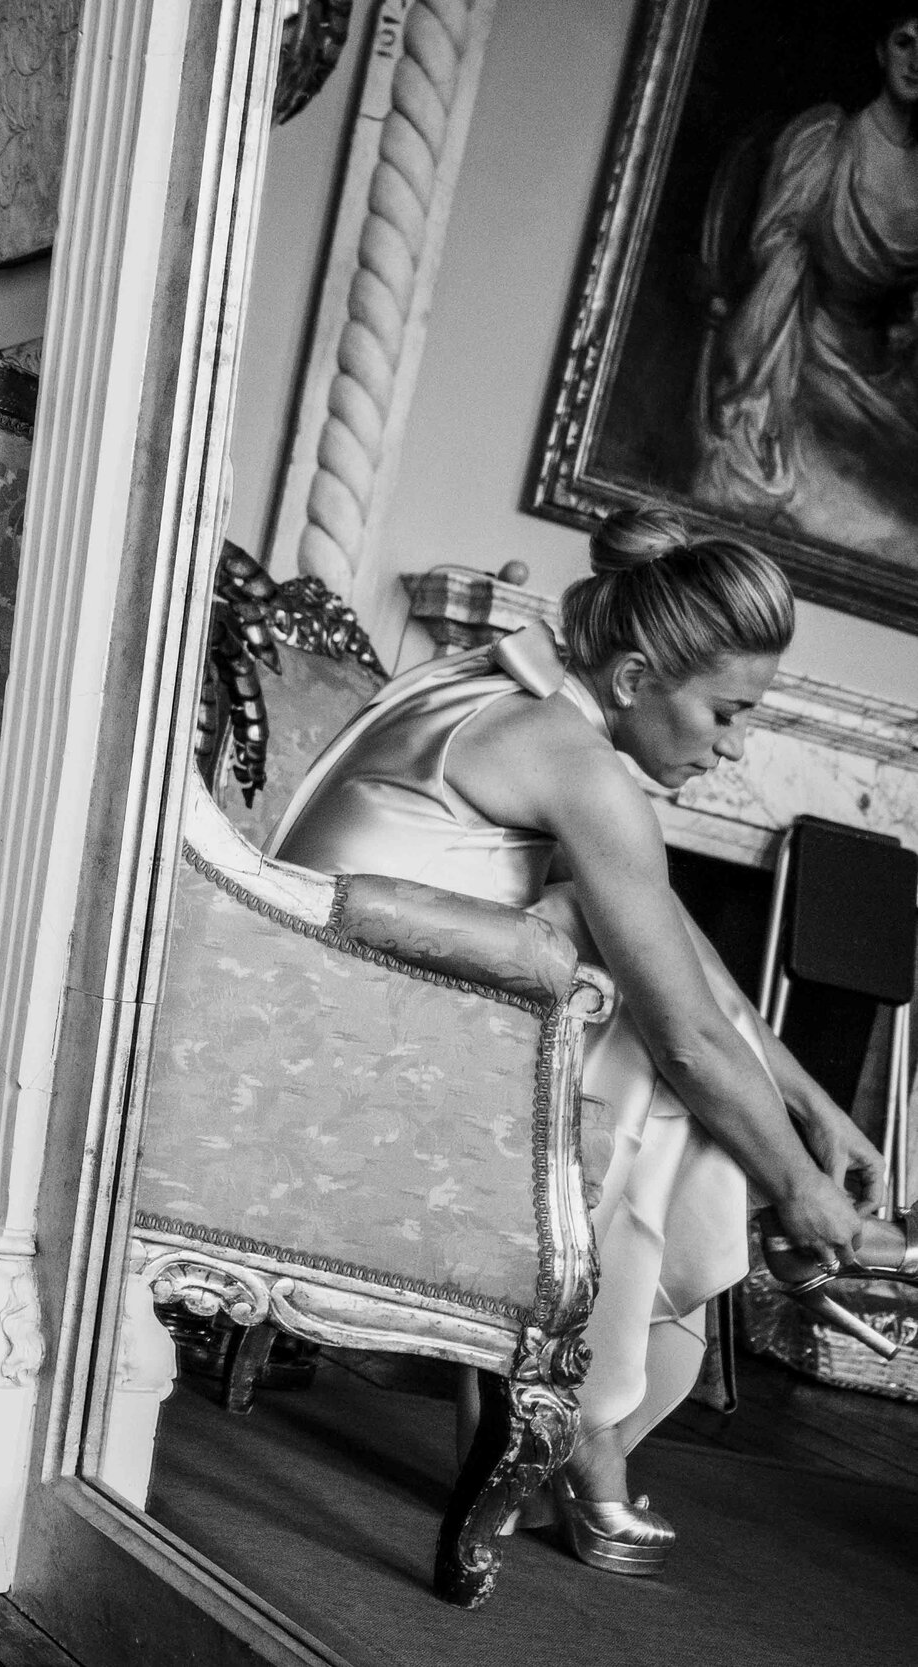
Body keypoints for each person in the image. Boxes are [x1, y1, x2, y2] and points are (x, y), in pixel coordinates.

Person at [268, 507, 914, 1578]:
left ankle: (585, 1411)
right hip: (335, 1052)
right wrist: (793, 1181)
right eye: (727, 711)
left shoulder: (503, 684)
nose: (736, 744)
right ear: (628, 680)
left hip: (318, 1002)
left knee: (610, 982)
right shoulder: (572, 760)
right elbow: (693, 1031)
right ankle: (597, 1419)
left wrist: (816, 1109)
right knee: (649, 1059)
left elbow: (671, 938)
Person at [694, 7, 918, 560]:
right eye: (905, 42)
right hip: (804, 355)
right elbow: (780, 254)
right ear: (880, 51)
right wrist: (761, 363)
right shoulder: (828, 141)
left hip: (893, 377)